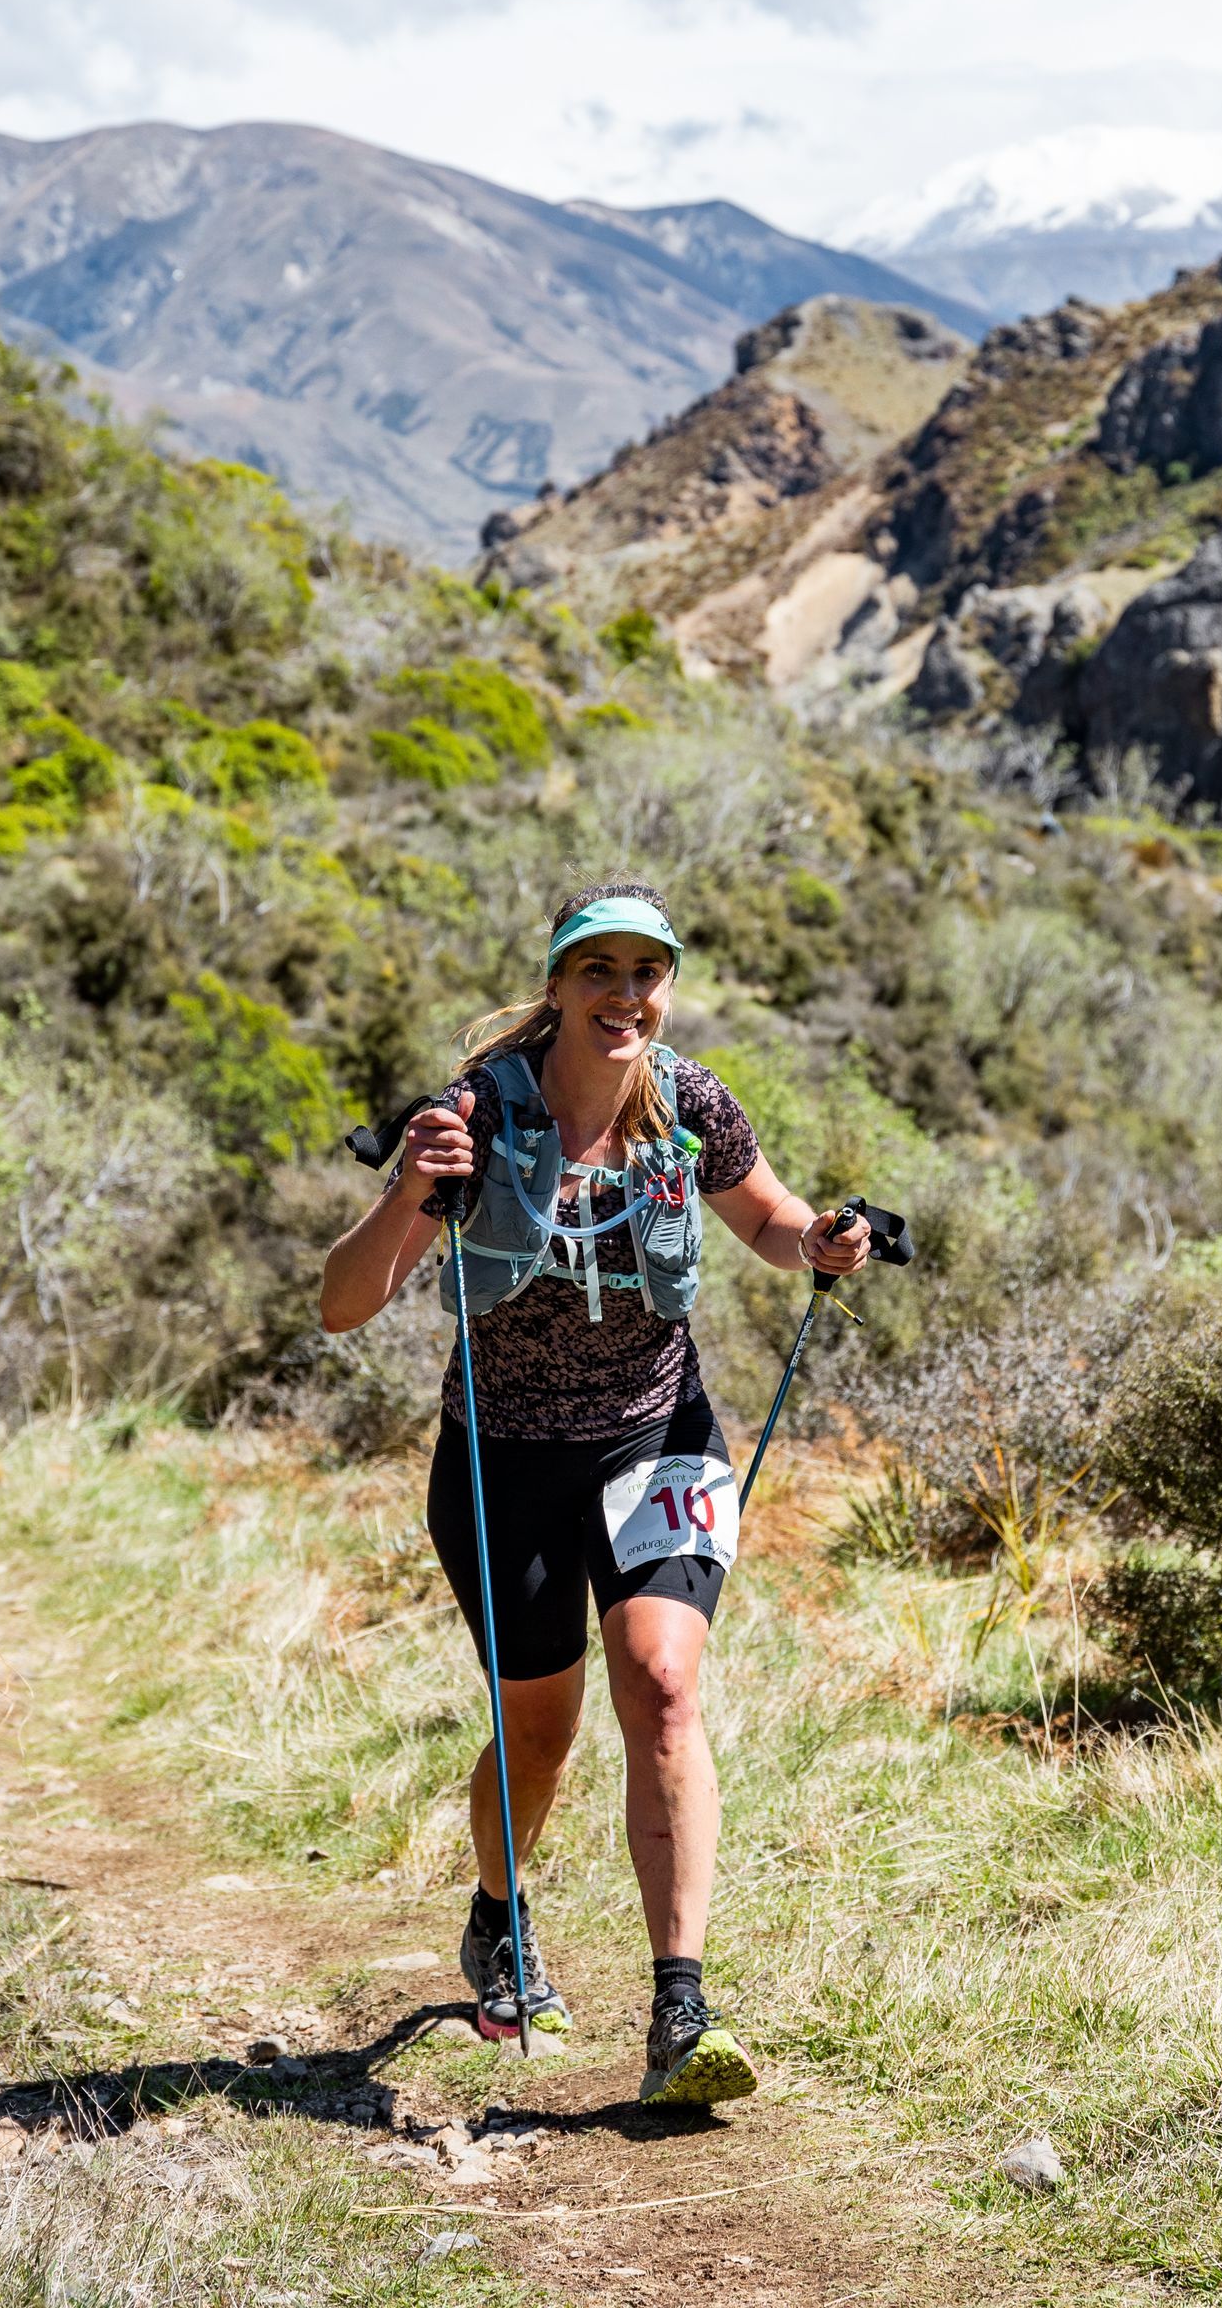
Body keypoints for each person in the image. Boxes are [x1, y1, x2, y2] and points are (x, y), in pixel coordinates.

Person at [320, 880, 870, 2107]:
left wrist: (821, 1240)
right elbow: (344, 1303)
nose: (625, 996)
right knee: (540, 1730)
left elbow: (770, 1221)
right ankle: (498, 1918)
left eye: (646, 973)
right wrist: (412, 1187)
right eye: (599, 971)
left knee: (664, 1687)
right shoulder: (474, 1113)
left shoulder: (691, 1103)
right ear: (559, 983)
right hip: (501, 1454)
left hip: (658, 1439)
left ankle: (681, 2007)